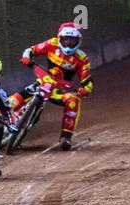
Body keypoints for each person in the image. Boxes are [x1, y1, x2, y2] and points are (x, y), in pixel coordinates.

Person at [8, 22, 94, 151]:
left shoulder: (82, 58)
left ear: (79, 41)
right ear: (59, 38)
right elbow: (31, 50)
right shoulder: (51, 44)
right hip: (43, 81)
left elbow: (88, 81)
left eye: (72, 41)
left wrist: (85, 90)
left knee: (73, 100)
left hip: (59, 90)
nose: (69, 44)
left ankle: (66, 137)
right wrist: (26, 57)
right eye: (66, 40)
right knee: (16, 98)